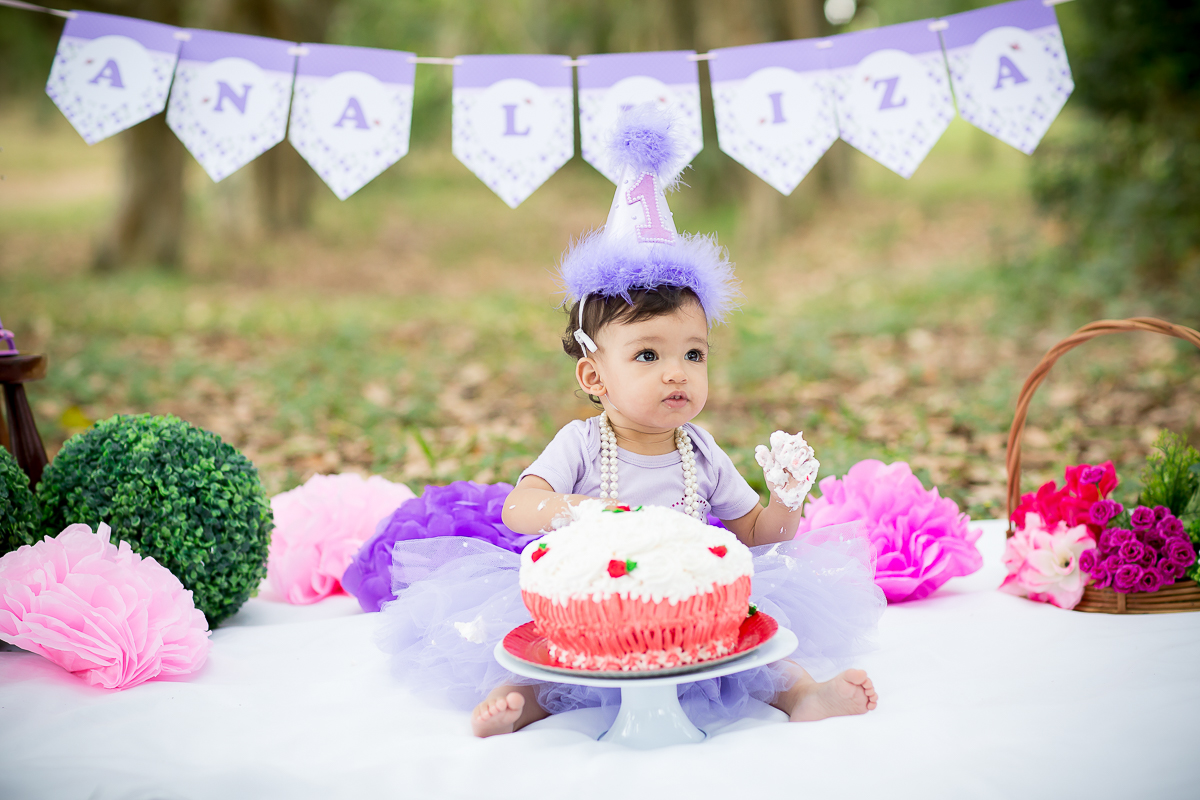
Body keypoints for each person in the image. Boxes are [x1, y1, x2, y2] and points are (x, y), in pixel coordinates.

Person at [376, 105, 885, 738]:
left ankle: (803, 695)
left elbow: (758, 533)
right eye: (648, 354)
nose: (677, 373)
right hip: (592, 596)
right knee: (544, 646)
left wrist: (786, 497)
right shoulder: (584, 443)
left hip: (686, 604)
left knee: (759, 634)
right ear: (595, 376)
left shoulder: (698, 451)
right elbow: (518, 507)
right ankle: (521, 702)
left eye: (693, 354)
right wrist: (573, 511)